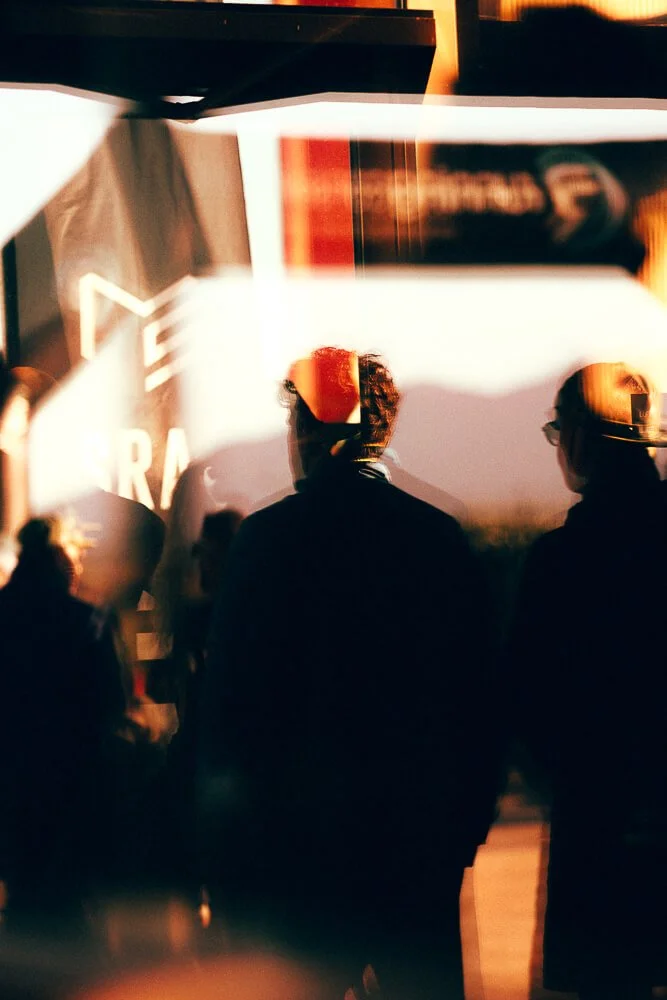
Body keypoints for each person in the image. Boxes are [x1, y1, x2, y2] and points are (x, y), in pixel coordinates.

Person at [200, 347, 497, 999]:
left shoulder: (265, 543)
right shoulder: (435, 538)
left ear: (308, 432)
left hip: (299, 844)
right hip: (416, 841)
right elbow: (479, 694)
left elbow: (227, 701)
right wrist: (468, 818)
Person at [507, 362, 667, 1000]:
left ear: (576, 439)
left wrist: (562, 776)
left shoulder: (562, 560)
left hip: (596, 824)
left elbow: (524, 696)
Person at [0, 516, 126, 933]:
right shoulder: (88, 621)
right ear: (58, 557)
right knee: (68, 909)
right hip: (72, 778)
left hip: (12, 779)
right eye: (74, 554)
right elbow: (112, 701)